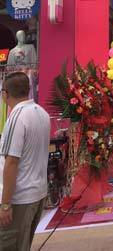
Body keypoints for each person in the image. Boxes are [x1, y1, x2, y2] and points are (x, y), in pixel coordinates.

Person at [0, 71, 50, 251]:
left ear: (5, 94)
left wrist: (6, 204)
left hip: (20, 197)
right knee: (23, 244)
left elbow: (11, 162)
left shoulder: (17, 117)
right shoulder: (42, 113)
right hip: (37, 192)